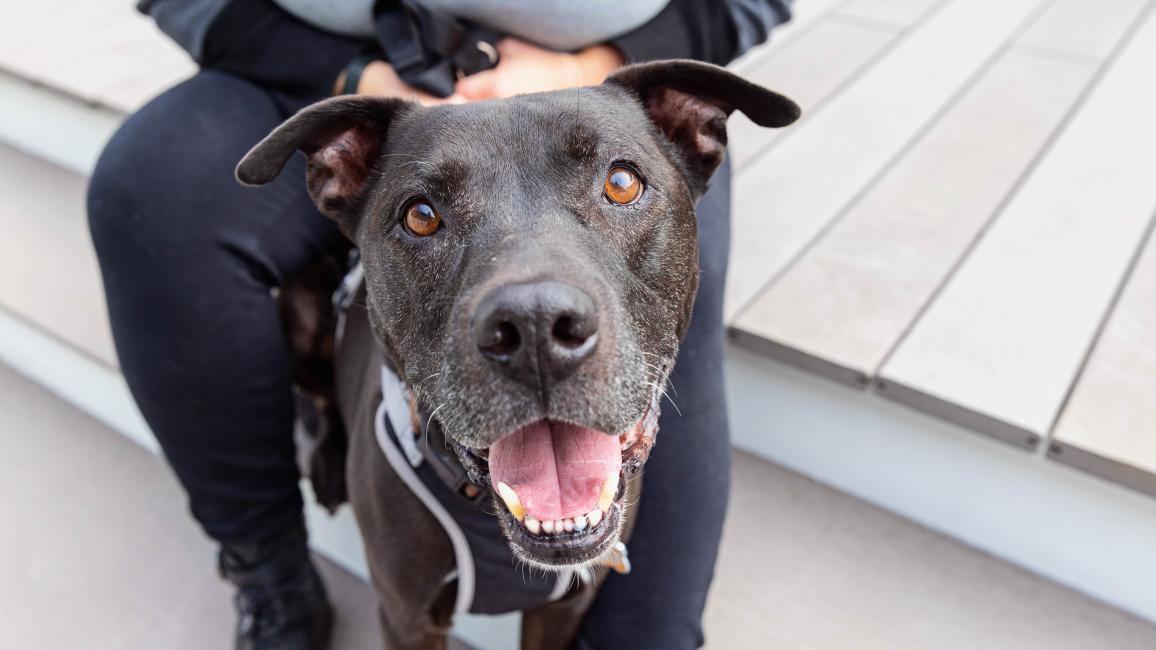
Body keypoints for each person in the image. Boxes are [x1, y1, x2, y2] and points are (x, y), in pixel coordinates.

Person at [86, 1, 791, 648]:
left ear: (693, 133)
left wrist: (588, 66)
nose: (537, 314)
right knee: (150, 187)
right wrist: (349, 76)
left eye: (619, 187)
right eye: (423, 217)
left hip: (602, 78)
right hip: (310, 68)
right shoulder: (367, 151)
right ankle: (269, 566)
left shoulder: (648, 125)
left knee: (650, 635)